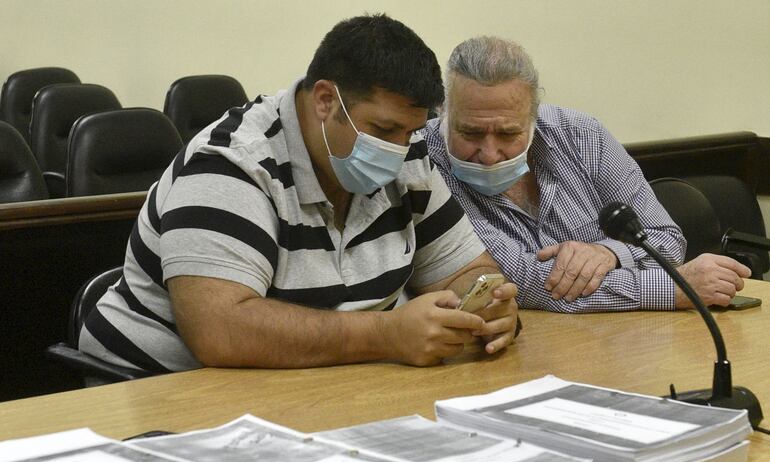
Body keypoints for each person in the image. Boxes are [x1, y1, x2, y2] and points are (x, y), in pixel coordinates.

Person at [78, 16, 519, 373]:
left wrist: (489, 303)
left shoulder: (408, 152)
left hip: (323, 381)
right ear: (326, 100)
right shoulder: (233, 163)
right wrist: (385, 335)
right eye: (383, 130)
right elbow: (219, 331)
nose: (399, 149)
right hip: (155, 387)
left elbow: (465, 269)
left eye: (411, 131)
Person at [423, 36, 751, 313]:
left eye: (509, 135)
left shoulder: (583, 136)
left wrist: (609, 253)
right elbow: (516, 281)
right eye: (470, 133)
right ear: (444, 113)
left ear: (533, 119)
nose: (490, 154)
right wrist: (674, 288)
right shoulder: (423, 161)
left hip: (624, 342)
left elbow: (665, 239)